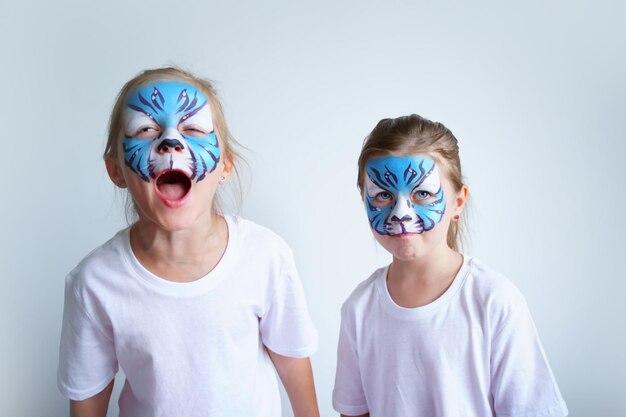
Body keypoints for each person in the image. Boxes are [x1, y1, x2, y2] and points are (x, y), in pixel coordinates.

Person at [58, 67, 320, 417]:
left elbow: (293, 362)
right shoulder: (94, 281)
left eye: (194, 129)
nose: (170, 142)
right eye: (145, 129)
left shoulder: (265, 255)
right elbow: (87, 403)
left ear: (225, 166)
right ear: (116, 170)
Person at [332, 114, 568, 417]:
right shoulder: (358, 309)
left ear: (458, 202)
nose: (401, 213)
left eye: (422, 194)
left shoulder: (494, 300)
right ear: (364, 200)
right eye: (383, 196)